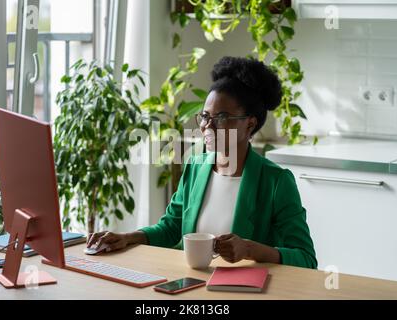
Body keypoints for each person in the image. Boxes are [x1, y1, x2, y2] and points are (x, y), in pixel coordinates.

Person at [87, 56, 317, 269]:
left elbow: (305, 258)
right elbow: (171, 228)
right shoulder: (195, 168)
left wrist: (248, 248)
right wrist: (127, 238)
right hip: (191, 284)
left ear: (250, 124)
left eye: (222, 118)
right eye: (206, 116)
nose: (207, 126)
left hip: (243, 292)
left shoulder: (276, 181)